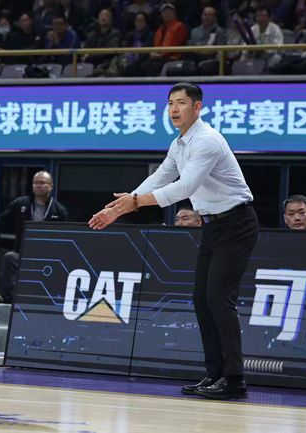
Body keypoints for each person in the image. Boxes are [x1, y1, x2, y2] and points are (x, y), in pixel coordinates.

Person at [89, 82, 257, 400]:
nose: (174, 109)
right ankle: (215, 375)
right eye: (170, 103)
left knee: (219, 298)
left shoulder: (207, 141)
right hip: (212, 226)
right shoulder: (178, 144)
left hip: (236, 223)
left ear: (197, 107)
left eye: (181, 102)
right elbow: (161, 177)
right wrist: (121, 206)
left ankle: (234, 379)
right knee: (201, 298)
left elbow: (184, 187)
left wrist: (136, 203)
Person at [0, 171, 68, 303]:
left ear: (50, 186)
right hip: (23, 253)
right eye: (35, 183)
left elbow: (63, 237)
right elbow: (2, 219)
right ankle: (9, 298)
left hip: (48, 256)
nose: (38, 185)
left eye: (42, 183)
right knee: (9, 257)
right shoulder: (21, 203)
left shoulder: (59, 210)